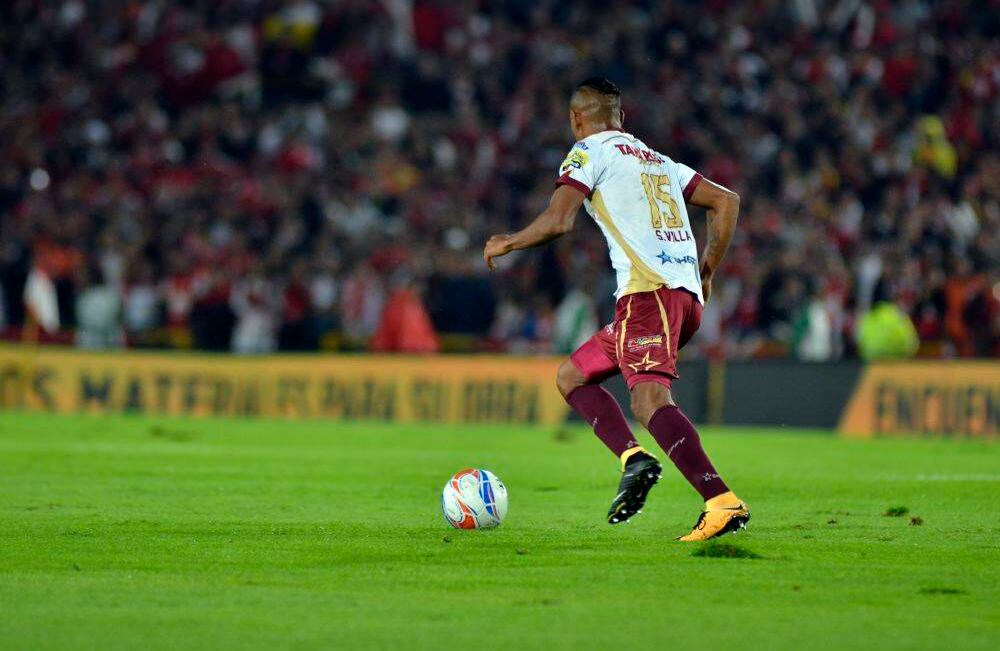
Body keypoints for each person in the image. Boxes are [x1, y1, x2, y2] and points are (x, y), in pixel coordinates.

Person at [483, 78, 747, 541]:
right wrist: (707, 269)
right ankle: (634, 458)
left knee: (648, 401)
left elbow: (559, 221)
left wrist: (509, 241)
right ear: (621, 117)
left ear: (576, 120)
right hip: (678, 298)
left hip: (650, 296)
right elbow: (726, 202)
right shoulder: (661, 162)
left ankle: (721, 500)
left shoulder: (589, 152)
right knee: (571, 375)